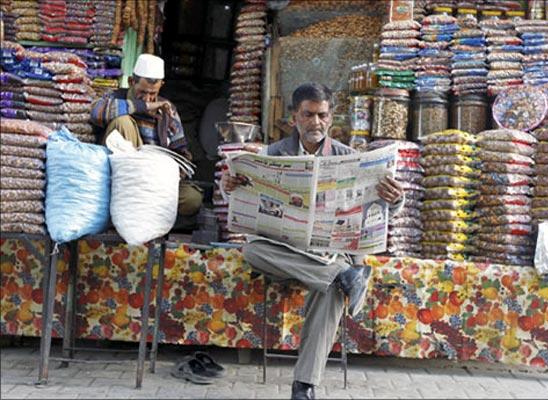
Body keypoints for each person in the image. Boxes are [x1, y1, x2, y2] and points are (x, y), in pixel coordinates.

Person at [221, 83, 404, 400]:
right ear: (294, 117)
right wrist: (231, 186)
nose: (315, 122)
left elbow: (379, 207)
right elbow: (244, 201)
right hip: (285, 253)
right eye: (308, 114)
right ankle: (343, 276)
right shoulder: (272, 154)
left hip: (330, 253)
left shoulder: (350, 158)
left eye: (322, 115)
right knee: (252, 249)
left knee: (332, 287)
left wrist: (396, 198)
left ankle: (303, 386)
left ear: (331, 118)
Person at [90, 54, 203, 225]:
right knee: (123, 122)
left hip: (153, 180)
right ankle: (131, 199)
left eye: (153, 94)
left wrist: (173, 173)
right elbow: (96, 112)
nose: (147, 98)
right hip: (121, 177)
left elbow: (181, 153)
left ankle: (145, 201)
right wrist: (144, 106)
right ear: (131, 82)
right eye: (142, 92)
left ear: (161, 86)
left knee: (192, 200)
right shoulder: (115, 98)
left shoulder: (168, 109)